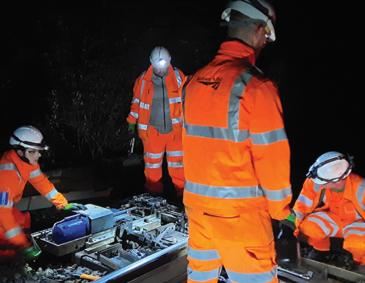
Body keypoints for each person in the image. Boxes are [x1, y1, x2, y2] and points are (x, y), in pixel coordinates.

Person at [181, 1, 294, 282]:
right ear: (258, 30)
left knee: (201, 278)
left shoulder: (192, 83)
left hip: (198, 213)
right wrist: (281, 211)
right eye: (266, 37)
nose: (265, 43)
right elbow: (273, 161)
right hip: (241, 219)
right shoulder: (257, 88)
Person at [0, 125, 82, 261]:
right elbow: (3, 215)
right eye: (33, 151)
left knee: (21, 220)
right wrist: (22, 245)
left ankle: (19, 252)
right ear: (20, 152)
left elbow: (42, 183)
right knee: (5, 234)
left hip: (6, 206)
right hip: (2, 210)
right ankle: (9, 264)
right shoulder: (7, 175)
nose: (38, 155)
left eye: (38, 151)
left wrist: (62, 204)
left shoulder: (26, 163)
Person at [127, 46, 185, 197]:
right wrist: (131, 122)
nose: (161, 69)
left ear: (169, 61)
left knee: (178, 166)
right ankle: (154, 197)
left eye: (164, 65)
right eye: (157, 65)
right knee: (152, 168)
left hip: (175, 132)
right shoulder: (143, 81)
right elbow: (136, 102)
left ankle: (182, 195)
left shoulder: (179, 77)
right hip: (152, 132)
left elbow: (188, 100)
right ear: (151, 63)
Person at [293, 151, 365, 265]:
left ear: (338, 181)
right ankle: (321, 252)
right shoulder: (315, 181)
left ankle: (360, 263)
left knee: (358, 244)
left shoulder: (361, 188)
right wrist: (291, 229)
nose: (320, 185)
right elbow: (301, 207)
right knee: (308, 227)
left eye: (324, 183)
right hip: (334, 219)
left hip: (357, 223)